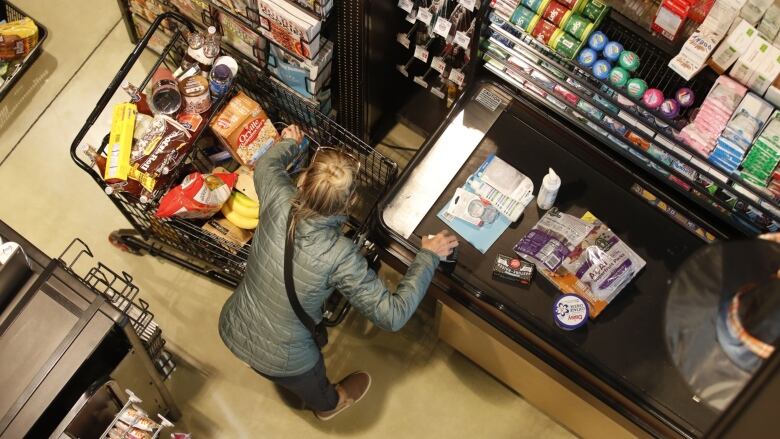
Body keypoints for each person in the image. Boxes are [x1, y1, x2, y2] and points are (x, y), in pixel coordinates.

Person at [219, 124, 458, 420]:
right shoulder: (339, 253)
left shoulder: (278, 196)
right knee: (318, 391)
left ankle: (253, 359)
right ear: (349, 203)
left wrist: (290, 143)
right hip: (290, 359)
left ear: (304, 179)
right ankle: (331, 405)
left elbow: (265, 165)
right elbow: (392, 315)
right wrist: (428, 256)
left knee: (266, 345)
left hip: (233, 322)